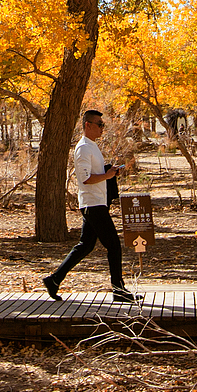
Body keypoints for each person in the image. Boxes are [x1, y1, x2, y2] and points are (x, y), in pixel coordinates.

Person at [42, 109, 139, 303]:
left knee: (85, 246)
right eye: (100, 124)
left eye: (103, 124)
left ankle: (54, 280)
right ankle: (118, 289)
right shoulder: (83, 148)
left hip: (97, 202)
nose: (103, 128)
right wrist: (107, 175)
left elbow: (95, 173)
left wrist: (109, 172)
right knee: (113, 245)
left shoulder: (92, 146)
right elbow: (85, 178)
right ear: (88, 125)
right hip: (92, 204)